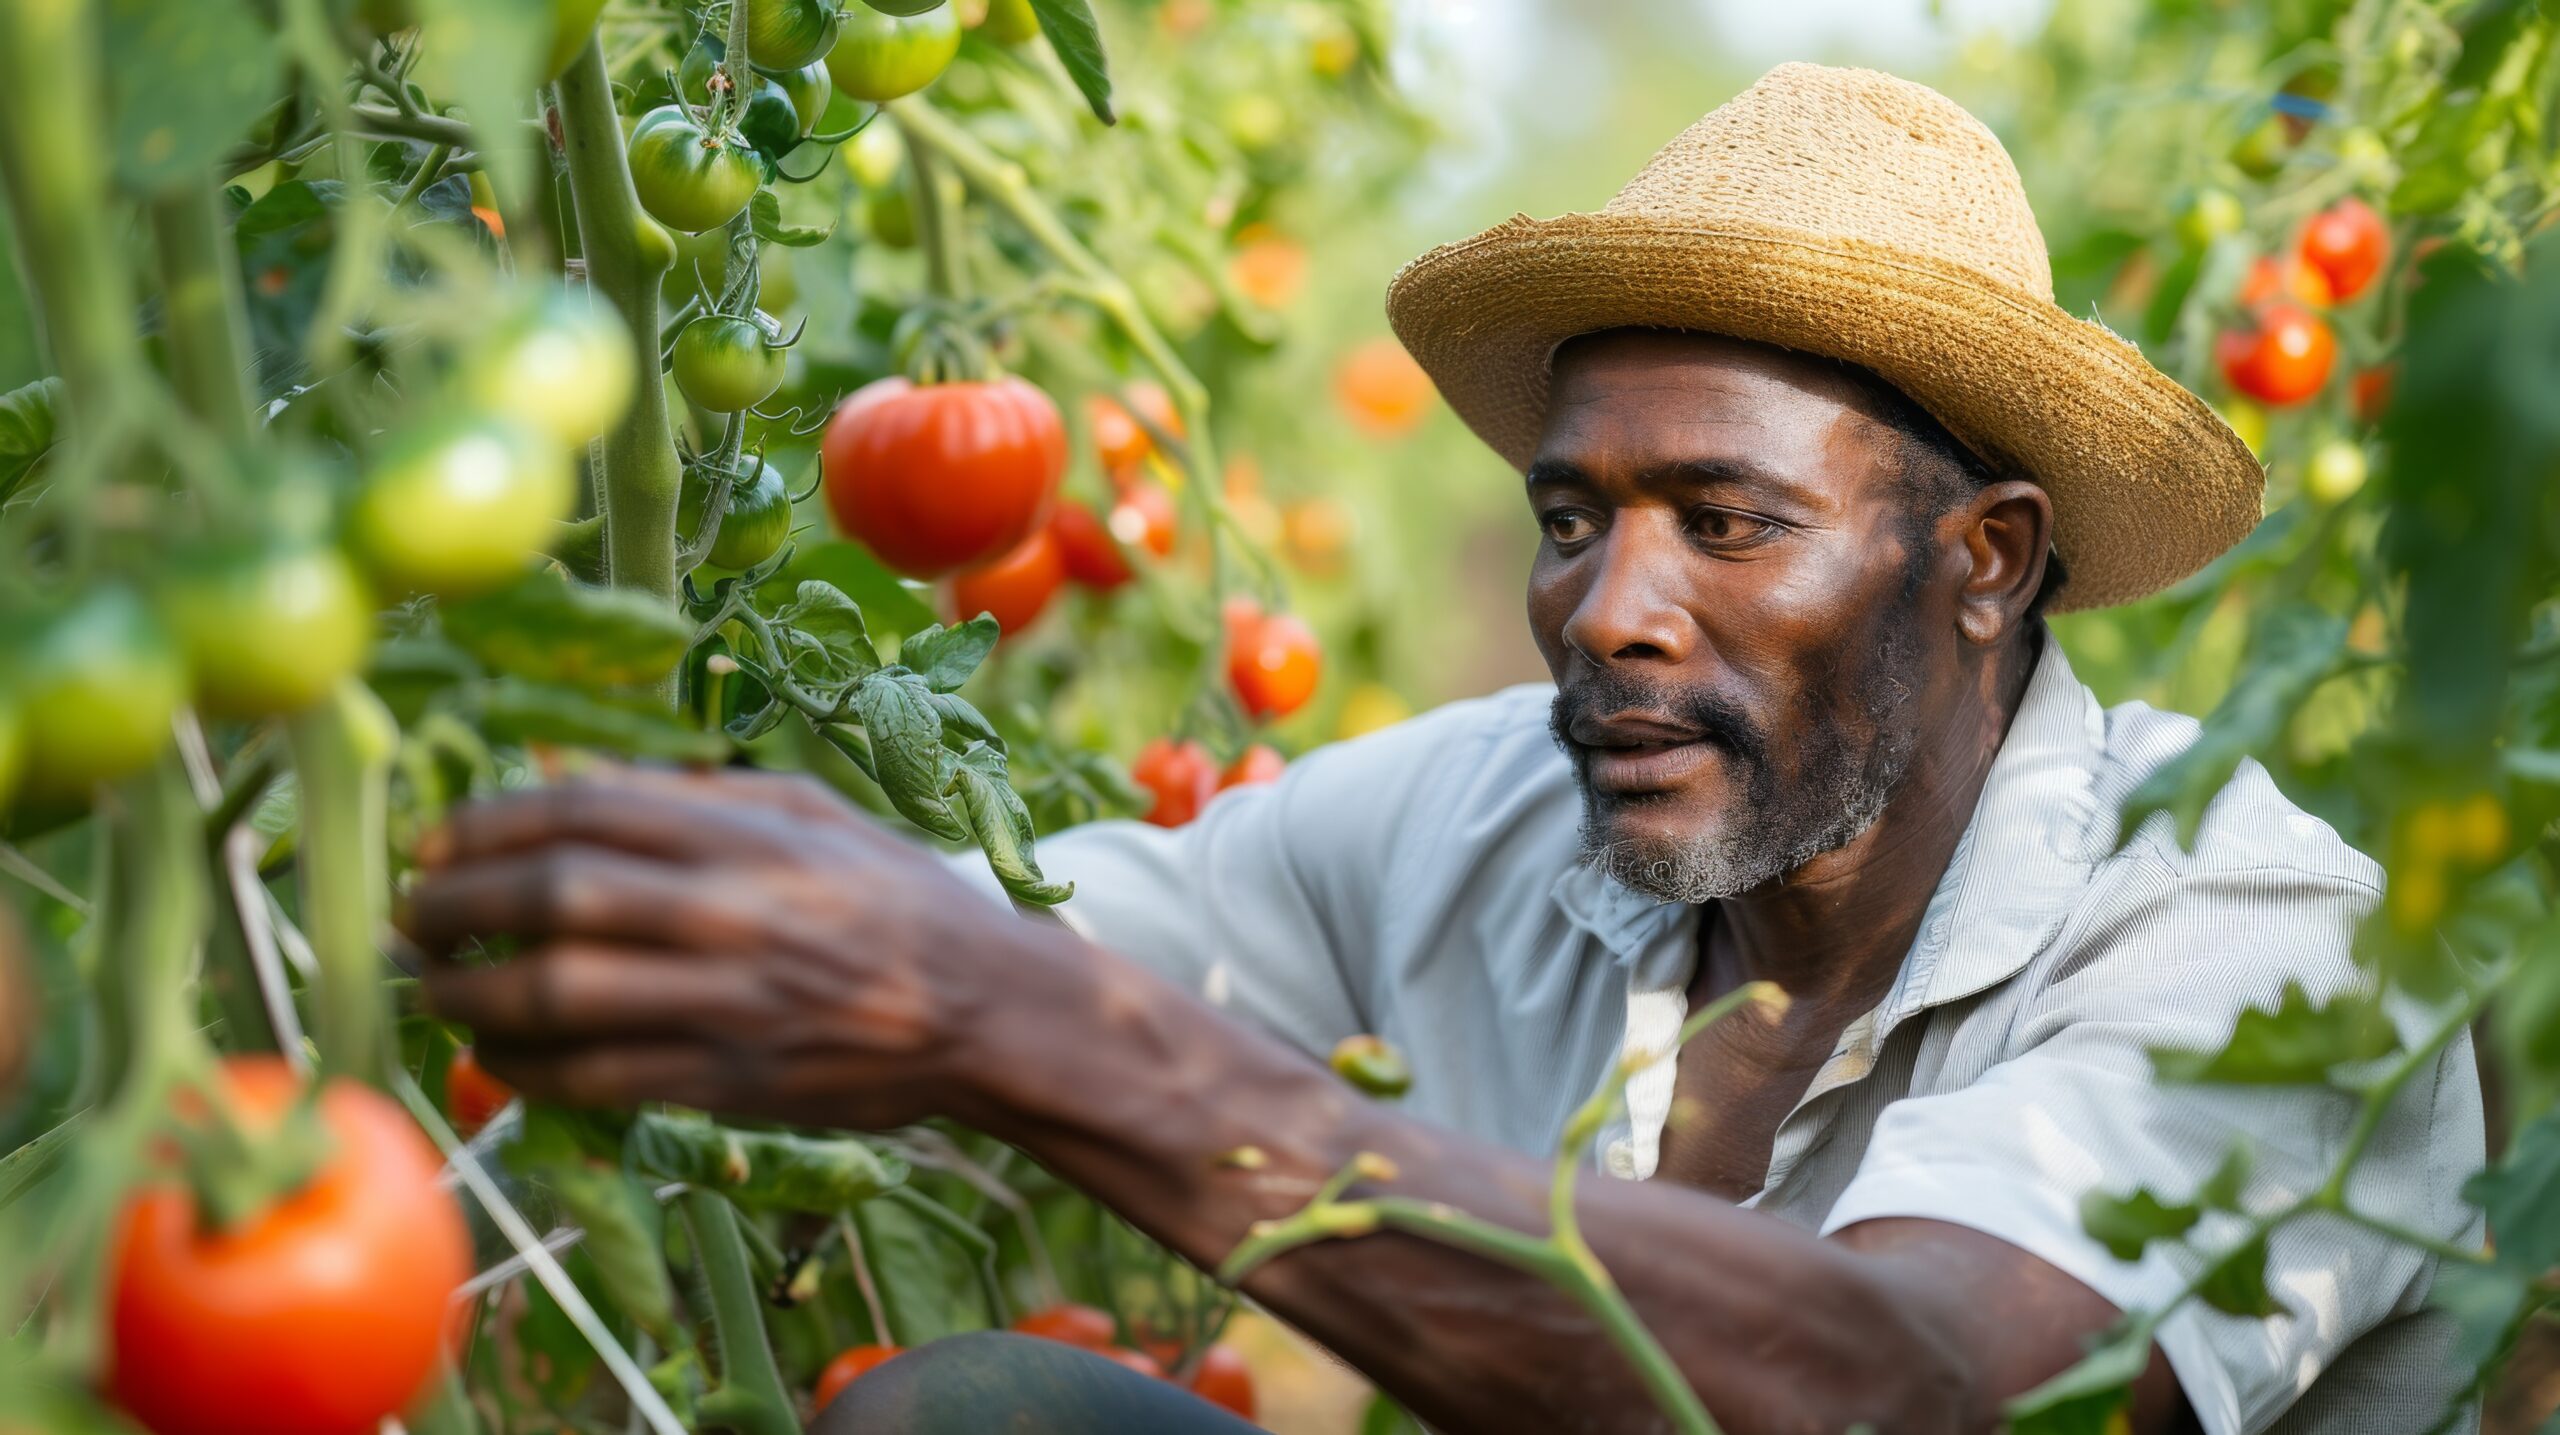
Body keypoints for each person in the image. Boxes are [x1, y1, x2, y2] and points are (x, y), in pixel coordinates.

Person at [408, 64, 2483, 1434]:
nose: (1607, 608)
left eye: (1726, 520)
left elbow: (1915, 1391)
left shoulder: (2253, 936)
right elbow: (1011, 937)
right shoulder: (1487, 811)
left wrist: (1024, 1032)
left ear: (1983, 563)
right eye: (1573, 519)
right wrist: (579, 906)